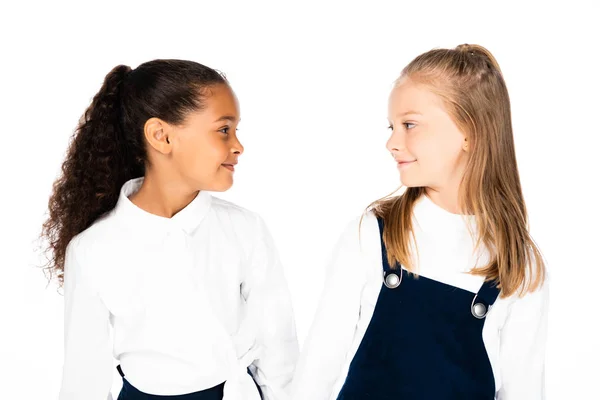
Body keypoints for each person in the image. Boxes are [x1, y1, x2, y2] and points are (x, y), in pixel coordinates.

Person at [291, 44, 549, 400]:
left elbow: (523, 393)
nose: (392, 142)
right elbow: (315, 373)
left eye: (409, 125)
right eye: (392, 126)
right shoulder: (372, 234)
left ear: (469, 133)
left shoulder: (517, 267)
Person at [41, 59, 298, 400]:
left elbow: (279, 354)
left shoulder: (245, 231)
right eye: (224, 129)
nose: (238, 145)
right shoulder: (92, 250)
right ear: (161, 136)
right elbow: (83, 379)